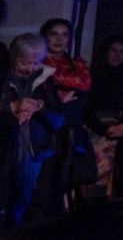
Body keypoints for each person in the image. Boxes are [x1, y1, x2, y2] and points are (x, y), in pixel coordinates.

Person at [1, 34, 65, 228]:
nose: (29, 68)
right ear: (14, 57)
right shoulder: (2, 77)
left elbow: (58, 120)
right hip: (4, 146)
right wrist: (11, 107)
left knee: (23, 198)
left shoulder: (45, 81)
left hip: (32, 151)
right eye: (24, 62)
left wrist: (40, 106)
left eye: (35, 63)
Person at [32, 18, 92, 217]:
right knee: (44, 181)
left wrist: (62, 93)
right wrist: (58, 99)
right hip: (44, 128)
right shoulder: (36, 62)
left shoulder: (76, 64)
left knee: (70, 178)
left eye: (64, 35)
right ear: (45, 37)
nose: (59, 39)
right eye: (54, 34)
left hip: (70, 128)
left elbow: (85, 86)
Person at [84, 35, 123, 198]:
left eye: (122, 51)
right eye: (113, 50)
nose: (117, 55)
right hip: (97, 127)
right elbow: (85, 108)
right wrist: (104, 128)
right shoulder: (93, 76)